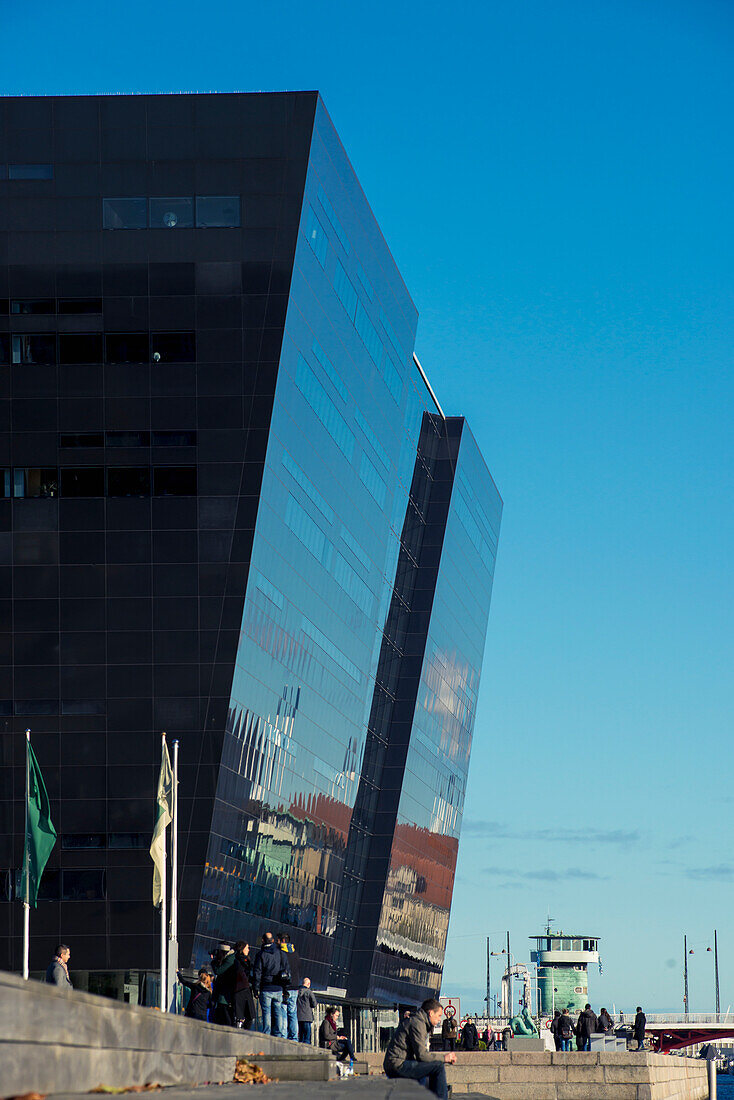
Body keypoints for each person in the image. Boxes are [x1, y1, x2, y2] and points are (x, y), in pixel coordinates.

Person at [383, 997, 456, 1100]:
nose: (440, 1019)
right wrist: (445, 1058)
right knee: (438, 1066)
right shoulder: (418, 1024)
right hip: (398, 1064)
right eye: (439, 1015)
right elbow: (421, 1055)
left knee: (426, 1073)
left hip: (397, 1063)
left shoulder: (418, 1021)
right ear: (431, 1013)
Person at [252, 931, 289, 1037]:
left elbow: (257, 972)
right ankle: (279, 1033)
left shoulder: (261, 954)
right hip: (278, 987)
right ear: (272, 940)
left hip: (266, 987)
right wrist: (285, 988)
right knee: (278, 1011)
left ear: (263, 941)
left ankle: (266, 1034)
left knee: (266, 1012)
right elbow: (286, 970)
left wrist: (256, 988)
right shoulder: (280, 953)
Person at [277, 931, 301, 1041]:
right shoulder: (295, 953)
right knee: (293, 1013)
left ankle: (283, 1036)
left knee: (283, 1012)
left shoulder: (281, 953)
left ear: (282, 941)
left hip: (285, 987)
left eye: (278, 940)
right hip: (295, 986)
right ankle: (294, 1037)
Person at [319, 1005, 356, 1076]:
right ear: (331, 1015)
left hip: (334, 1041)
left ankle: (348, 1057)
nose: (337, 1017)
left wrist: (340, 1037)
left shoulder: (333, 1023)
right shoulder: (326, 1022)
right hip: (329, 1043)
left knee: (347, 1041)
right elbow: (326, 1035)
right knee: (347, 1045)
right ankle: (352, 1057)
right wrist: (337, 1037)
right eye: (336, 1015)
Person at [212, 943, 237, 1026]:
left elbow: (218, 971)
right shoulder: (229, 958)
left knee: (224, 1018)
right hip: (224, 994)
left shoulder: (229, 960)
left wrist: (214, 962)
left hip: (225, 995)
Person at [233, 941, 256, 1030]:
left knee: (250, 1015)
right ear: (242, 949)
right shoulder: (237, 961)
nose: (248, 950)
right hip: (240, 989)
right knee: (241, 1014)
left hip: (246, 988)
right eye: (247, 948)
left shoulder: (247, 961)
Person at [296, 977, 318, 1044]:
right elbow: (314, 1004)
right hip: (307, 1017)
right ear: (308, 984)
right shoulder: (309, 992)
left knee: (300, 1035)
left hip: (298, 1016)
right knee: (307, 1036)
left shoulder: (297, 992)